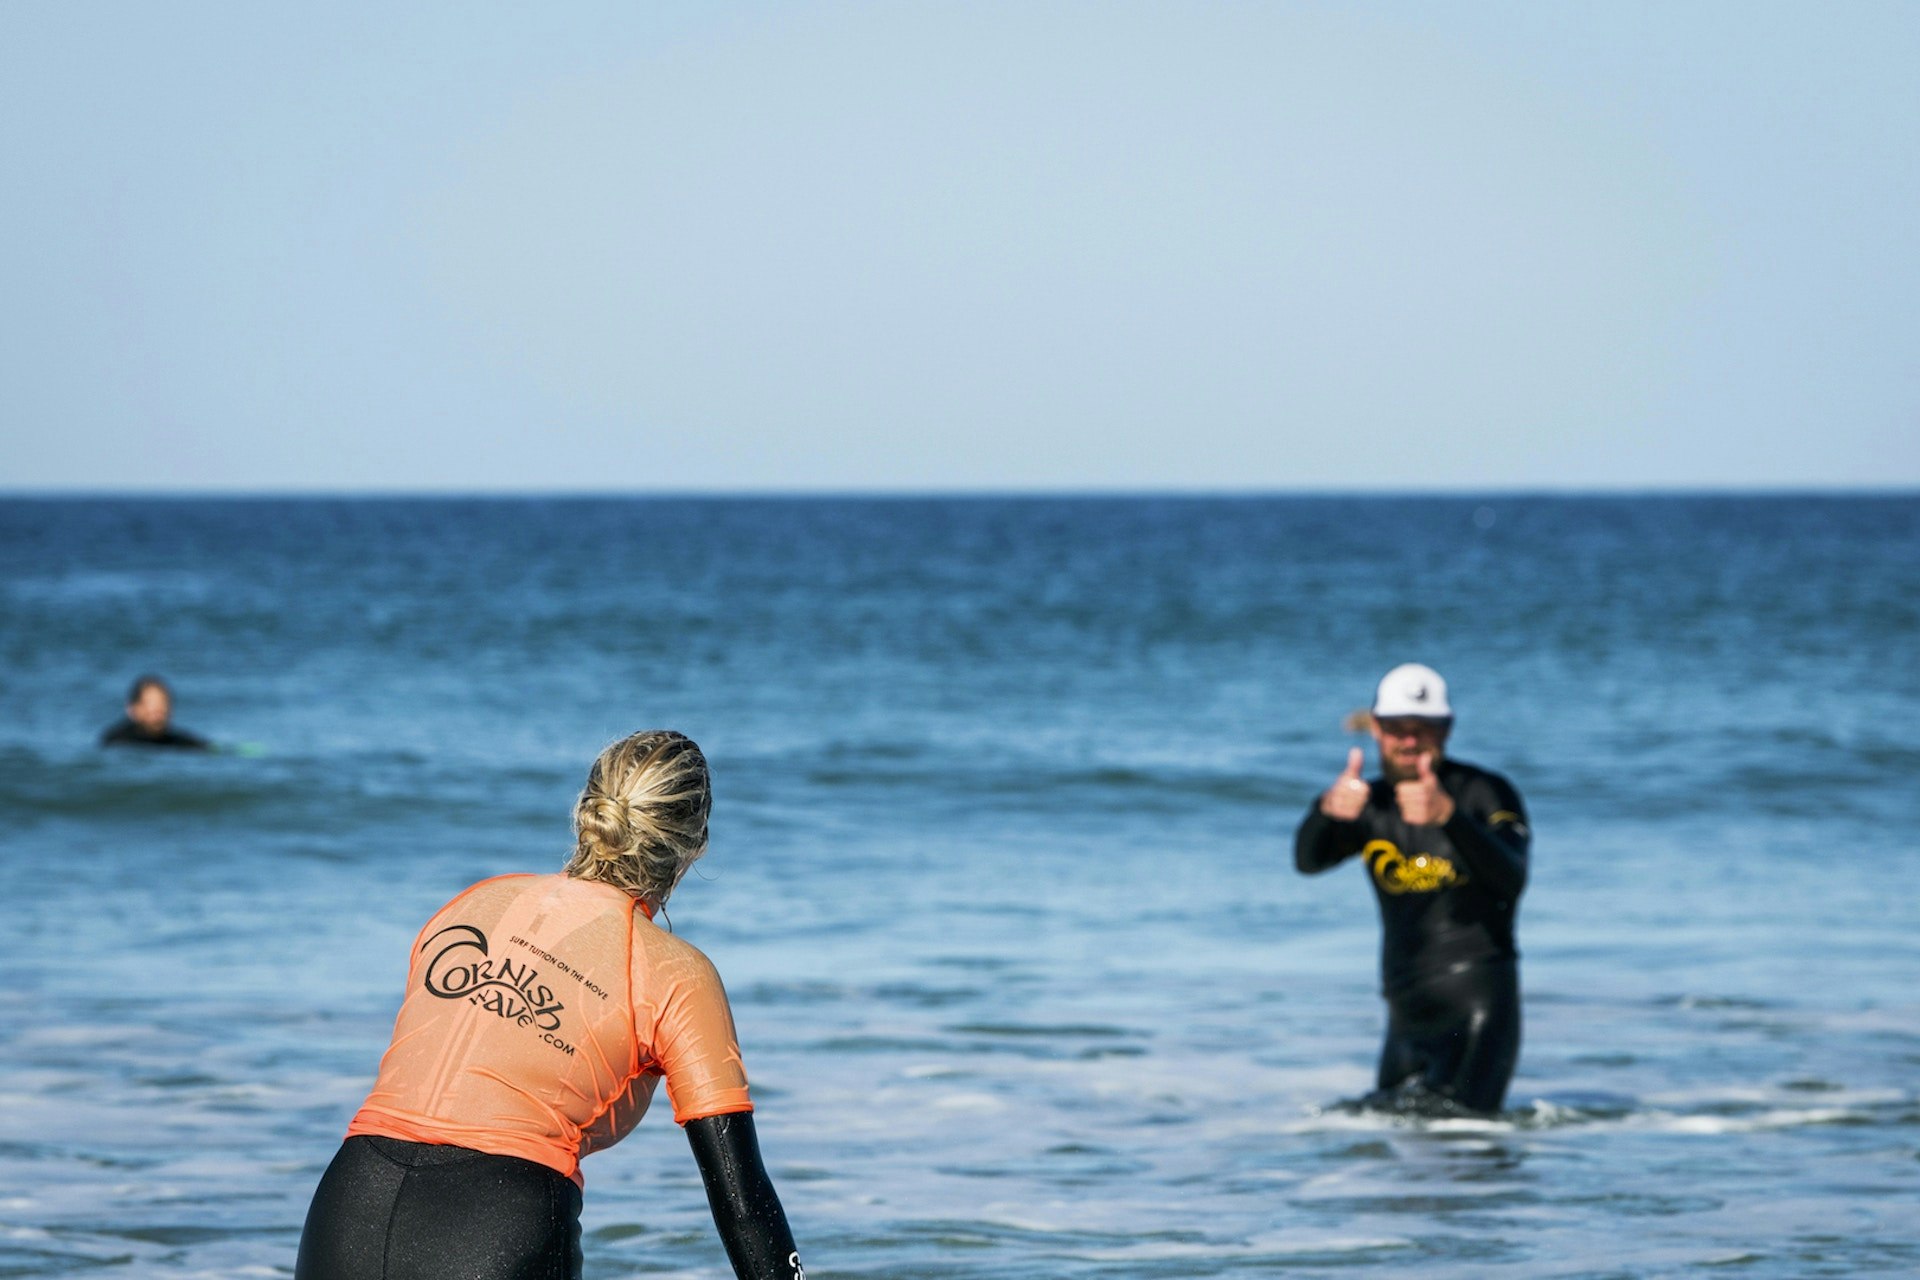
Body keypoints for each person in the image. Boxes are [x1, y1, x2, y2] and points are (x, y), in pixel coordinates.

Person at [296, 730, 806, 1280]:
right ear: (697, 839)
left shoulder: (472, 903)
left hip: (348, 1209)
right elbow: (744, 1207)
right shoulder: (676, 973)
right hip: (495, 1227)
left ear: (587, 809)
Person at [1293, 664, 1530, 1115]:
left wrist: (1450, 818)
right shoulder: (1368, 803)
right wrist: (1325, 811)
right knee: (1394, 1163)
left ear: (1447, 730)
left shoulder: (1486, 793)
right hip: (1405, 1013)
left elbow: (1512, 877)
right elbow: (1308, 861)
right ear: (1376, 729)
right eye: (1397, 729)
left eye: (1425, 729)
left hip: (1477, 1008)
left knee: (1468, 1152)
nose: (1409, 741)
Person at [100, 674, 210, 749]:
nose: (158, 710)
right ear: (133, 708)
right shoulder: (117, 742)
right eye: (151, 704)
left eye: (163, 703)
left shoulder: (176, 741)